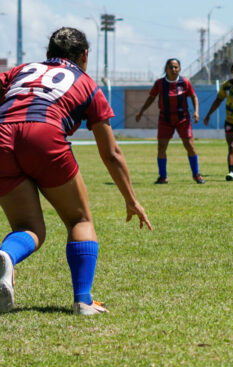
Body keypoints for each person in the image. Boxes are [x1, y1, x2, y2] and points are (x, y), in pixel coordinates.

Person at [0, 27, 151, 315]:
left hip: (2, 135)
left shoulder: (22, 70)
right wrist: (131, 200)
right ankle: (83, 300)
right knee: (79, 219)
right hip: (44, 134)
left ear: (48, 53)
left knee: (26, 227)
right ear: (84, 56)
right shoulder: (87, 84)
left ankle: (6, 255)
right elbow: (111, 153)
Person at [135, 58, 205, 184]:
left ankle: (196, 174)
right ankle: (163, 177)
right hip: (165, 119)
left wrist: (196, 111)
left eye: (176, 67)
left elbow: (194, 96)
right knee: (161, 147)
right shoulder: (160, 83)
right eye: (170, 67)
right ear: (166, 69)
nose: (173, 69)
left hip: (182, 118)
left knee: (189, 145)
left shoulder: (185, 82)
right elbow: (151, 98)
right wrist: (141, 111)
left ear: (180, 69)